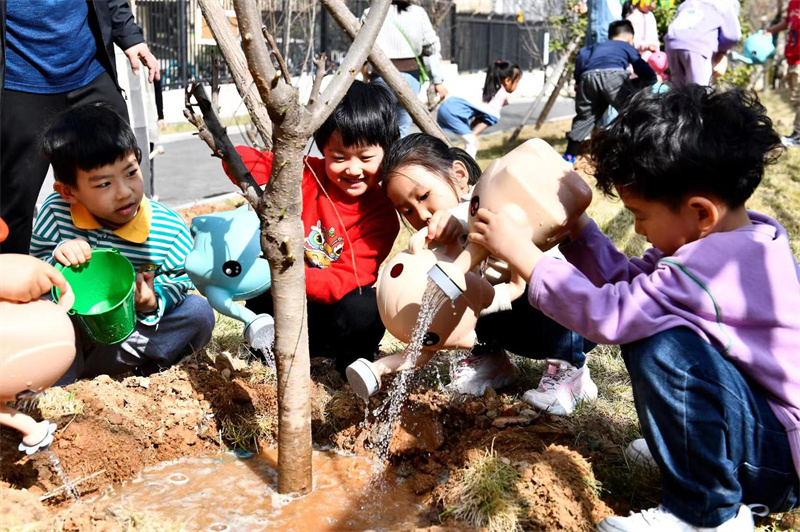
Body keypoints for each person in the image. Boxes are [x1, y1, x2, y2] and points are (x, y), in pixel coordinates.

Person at [469, 85, 799, 530]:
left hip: (778, 462)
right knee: (662, 333)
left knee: (659, 343)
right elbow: (632, 283)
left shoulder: (718, 267)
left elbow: (613, 314)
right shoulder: (729, 240)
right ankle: (694, 452)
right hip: (764, 435)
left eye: (640, 216)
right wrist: (578, 230)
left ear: (700, 211)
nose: (639, 230)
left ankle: (703, 512)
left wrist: (525, 256)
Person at [346, 133, 597, 415]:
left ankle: (570, 372)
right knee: (460, 296)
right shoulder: (439, 243)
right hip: (517, 324)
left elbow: (490, 212)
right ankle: (490, 360)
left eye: (424, 197)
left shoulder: (490, 200)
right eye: (408, 210)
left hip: (572, 320)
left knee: (545, 280)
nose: (422, 214)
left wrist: (458, 216)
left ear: (459, 175)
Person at [222, 81, 401, 375]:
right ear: (322, 148)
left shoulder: (381, 215)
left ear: (387, 150)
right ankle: (267, 354)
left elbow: (344, 280)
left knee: (366, 306)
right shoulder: (306, 174)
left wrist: (283, 272)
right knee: (258, 275)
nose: (353, 170)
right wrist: (225, 145)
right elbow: (243, 161)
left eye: (366, 158)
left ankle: (349, 364)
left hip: (334, 320)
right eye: (339, 157)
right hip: (285, 308)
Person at [30, 103, 214, 382]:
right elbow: (33, 267)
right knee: (37, 305)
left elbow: (181, 280)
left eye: (130, 172)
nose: (125, 192)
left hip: (125, 342)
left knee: (198, 313)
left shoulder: (167, 230)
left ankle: (149, 370)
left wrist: (153, 301)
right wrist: (56, 258)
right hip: (71, 339)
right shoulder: (56, 212)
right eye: (104, 184)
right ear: (69, 192)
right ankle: (62, 382)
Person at [0, 0, 161, 255]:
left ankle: (135, 277)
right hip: (19, 82)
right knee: (13, 209)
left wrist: (128, 34)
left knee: (120, 176)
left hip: (90, 70)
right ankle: (13, 292)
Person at [564, 20, 656, 163]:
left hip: (588, 77)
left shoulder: (593, 47)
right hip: (613, 76)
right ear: (630, 38)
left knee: (584, 117)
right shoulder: (626, 46)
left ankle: (569, 155)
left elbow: (581, 56)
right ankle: (636, 151)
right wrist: (650, 81)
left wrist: (577, 81)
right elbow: (641, 67)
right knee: (631, 112)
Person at [362, 0, 447, 137]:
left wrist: (365, 72)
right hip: (410, 76)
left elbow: (361, 46)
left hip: (380, 77)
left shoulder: (371, 12)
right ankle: (399, 157)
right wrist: (437, 80)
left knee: (381, 127)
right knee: (401, 128)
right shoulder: (418, 13)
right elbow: (432, 47)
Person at [436, 60, 522, 158]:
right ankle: (468, 169)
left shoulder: (491, 90)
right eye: (517, 82)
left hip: (448, 107)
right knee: (473, 144)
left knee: (469, 142)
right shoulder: (499, 94)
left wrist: (471, 133)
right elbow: (491, 118)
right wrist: (473, 135)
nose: (517, 86)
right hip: (452, 112)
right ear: (507, 80)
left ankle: (462, 164)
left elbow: (480, 117)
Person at [664, 0, 741, 87]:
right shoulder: (726, 4)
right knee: (700, 90)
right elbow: (732, 36)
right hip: (698, 46)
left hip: (672, 41)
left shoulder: (689, 2)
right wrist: (721, 50)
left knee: (678, 89)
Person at [766, 0, 800, 147]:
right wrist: (771, 30)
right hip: (792, 57)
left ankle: (798, 136)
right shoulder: (793, 3)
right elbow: (787, 23)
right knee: (794, 98)